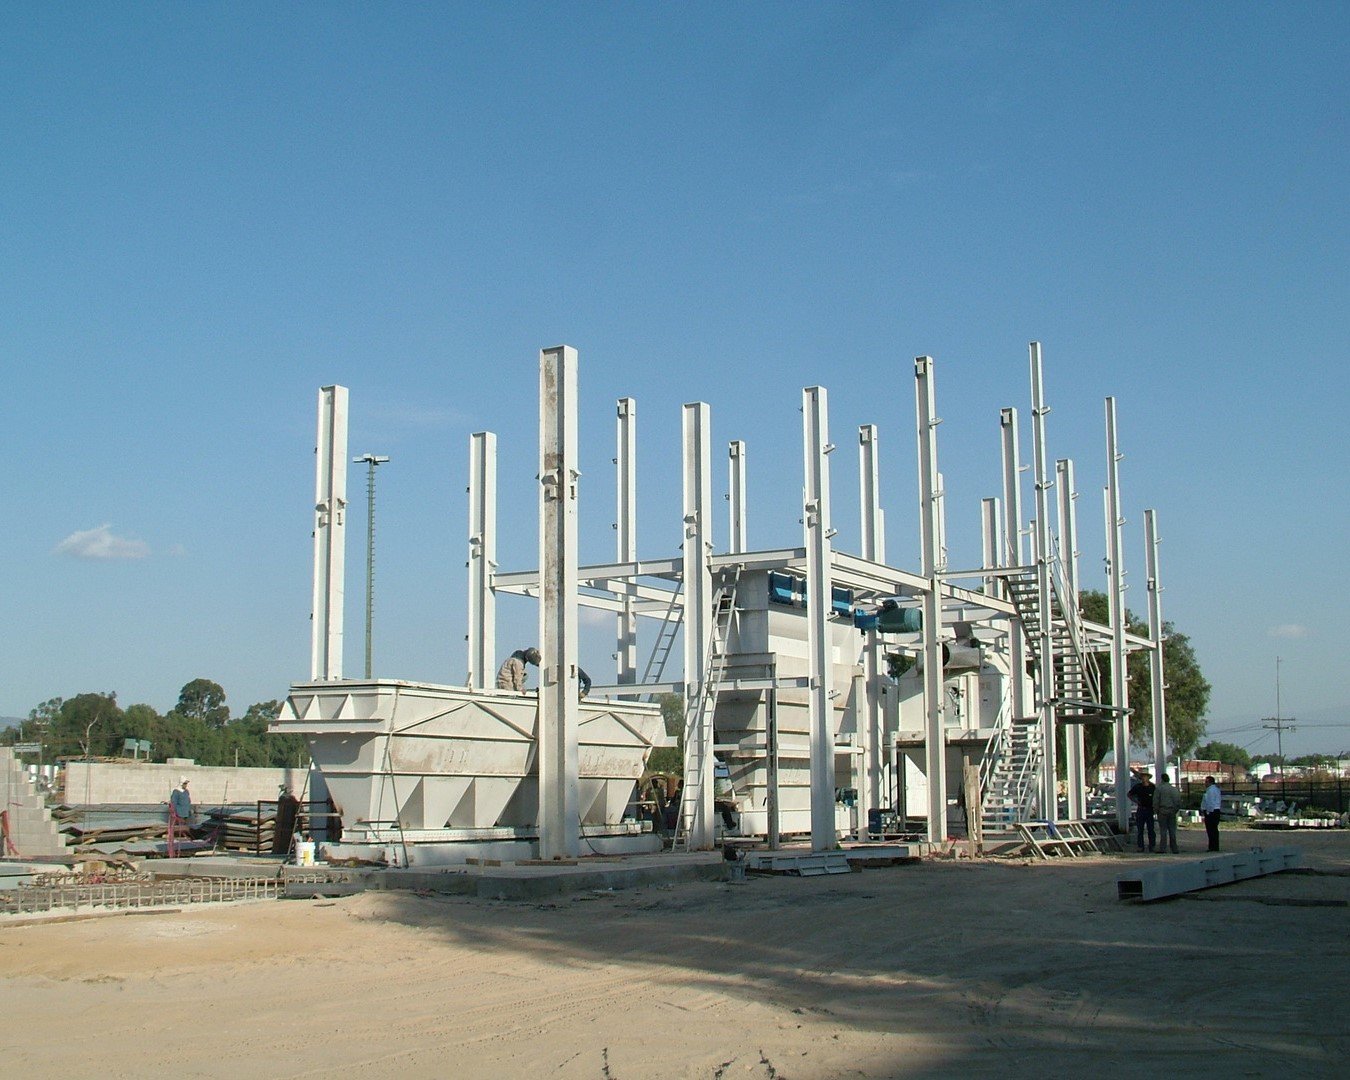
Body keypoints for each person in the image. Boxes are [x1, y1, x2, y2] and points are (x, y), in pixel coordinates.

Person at [1153, 772, 1182, 854]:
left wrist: (1156, 810)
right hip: (1172, 811)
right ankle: (1174, 848)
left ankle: (1163, 848)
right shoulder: (1174, 789)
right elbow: (1178, 801)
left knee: (1163, 830)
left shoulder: (1159, 789)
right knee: (1172, 830)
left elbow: (1156, 801)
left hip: (1162, 811)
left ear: (1162, 779)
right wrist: (1175, 810)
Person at [1128, 769, 1156, 852]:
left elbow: (1157, 796)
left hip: (1150, 809)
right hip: (1141, 809)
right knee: (1140, 829)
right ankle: (1140, 846)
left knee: (1151, 829)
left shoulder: (1152, 787)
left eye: (1145, 776)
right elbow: (1129, 794)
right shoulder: (1138, 787)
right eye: (1142, 776)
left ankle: (1152, 846)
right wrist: (1136, 801)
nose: (1144, 778)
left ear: (1148, 777)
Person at [1201, 774, 1223, 851]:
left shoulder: (1210, 791)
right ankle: (1215, 846)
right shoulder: (1216, 789)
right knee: (1214, 829)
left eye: (1206, 782)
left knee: (1211, 830)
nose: (1205, 783)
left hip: (1211, 811)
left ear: (1210, 782)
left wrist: (1208, 812)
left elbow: (1210, 802)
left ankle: (1212, 846)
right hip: (1216, 810)